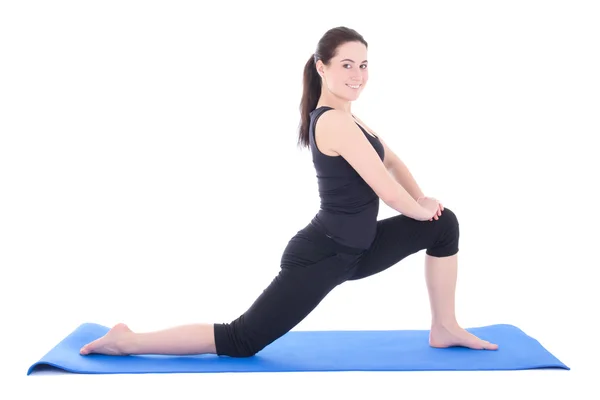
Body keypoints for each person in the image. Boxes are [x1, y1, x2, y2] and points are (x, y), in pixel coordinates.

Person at [80, 26, 498, 358]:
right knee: (240, 340)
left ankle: (444, 327)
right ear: (322, 67)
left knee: (445, 227)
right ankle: (127, 341)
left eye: (364, 65)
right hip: (321, 256)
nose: (358, 75)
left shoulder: (356, 121)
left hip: (357, 251)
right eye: (347, 65)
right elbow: (387, 192)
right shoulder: (332, 122)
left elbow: (394, 164)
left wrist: (423, 203)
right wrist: (416, 209)